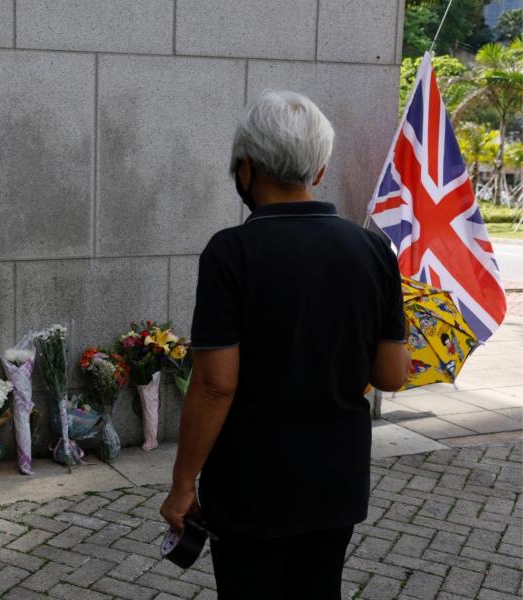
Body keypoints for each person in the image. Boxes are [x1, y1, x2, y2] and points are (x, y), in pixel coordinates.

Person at [159, 90, 411, 599]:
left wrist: (183, 483)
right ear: (318, 172)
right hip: (336, 479)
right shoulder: (373, 249)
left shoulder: (231, 252)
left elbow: (213, 386)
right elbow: (392, 375)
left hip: (252, 482)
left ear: (245, 169)